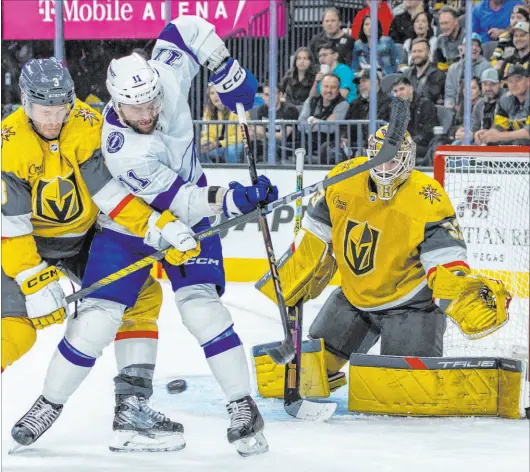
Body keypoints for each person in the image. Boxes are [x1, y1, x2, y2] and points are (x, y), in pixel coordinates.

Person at [11, 16, 278, 457]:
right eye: (135, 109)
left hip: (189, 216)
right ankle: (48, 404)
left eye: (151, 102)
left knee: (202, 310)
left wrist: (226, 70)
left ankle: (242, 406)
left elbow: (186, 27)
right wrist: (233, 200)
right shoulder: (120, 148)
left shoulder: (166, 78)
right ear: (115, 102)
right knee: (96, 318)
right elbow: (181, 203)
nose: (148, 113)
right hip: (129, 225)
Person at [1, 56, 198, 453]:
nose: (53, 118)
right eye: (43, 110)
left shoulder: (88, 124)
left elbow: (109, 193)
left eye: (61, 108)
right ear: (25, 102)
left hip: (84, 236)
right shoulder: (9, 142)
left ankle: (132, 407)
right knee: (17, 331)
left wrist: (156, 227)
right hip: (25, 245)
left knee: (142, 296)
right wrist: (32, 278)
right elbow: (12, 226)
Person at [254, 123, 510, 403]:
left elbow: (445, 257)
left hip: (411, 305)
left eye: (393, 159)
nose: (385, 166)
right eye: (380, 157)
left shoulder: (427, 196)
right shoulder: (343, 178)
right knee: (295, 376)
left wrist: (460, 293)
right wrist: (296, 275)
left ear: (408, 158)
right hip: (353, 299)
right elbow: (317, 237)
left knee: (404, 395)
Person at [475, 64, 530, 145]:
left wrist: (500, 136)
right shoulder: (505, 100)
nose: (514, 84)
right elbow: (500, 128)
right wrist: (486, 134)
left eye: (518, 80)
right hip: (520, 150)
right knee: (491, 143)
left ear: (528, 81)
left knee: (520, 142)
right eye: (510, 81)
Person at [300, 74, 349, 161]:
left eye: (333, 87)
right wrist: (320, 124)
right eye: (326, 86)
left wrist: (314, 122)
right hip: (309, 142)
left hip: (331, 144)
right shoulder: (311, 101)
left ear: (338, 89)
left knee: (326, 149)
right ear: (320, 87)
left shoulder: (343, 104)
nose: (329, 90)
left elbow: (331, 127)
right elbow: (300, 124)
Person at [391, 76, 437, 162]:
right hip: (406, 145)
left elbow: (427, 134)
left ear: (411, 89)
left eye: (401, 89)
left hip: (425, 147)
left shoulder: (426, 104)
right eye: (395, 91)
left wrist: (407, 141)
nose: (398, 93)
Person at [250, 84, 300, 162]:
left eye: (273, 94)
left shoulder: (290, 109)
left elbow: (283, 136)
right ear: (263, 96)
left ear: (280, 95)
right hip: (267, 143)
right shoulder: (262, 109)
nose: (270, 98)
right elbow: (259, 132)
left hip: (289, 145)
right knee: (250, 145)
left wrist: (263, 134)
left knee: (272, 145)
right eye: (266, 95)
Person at [200, 84, 245, 164]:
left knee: (231, 150)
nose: (215, 96)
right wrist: (206, 141)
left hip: (236, 144)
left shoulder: (239, 109)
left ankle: (234, 174)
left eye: (218, 92)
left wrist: (218, 143)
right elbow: (207, 134)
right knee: (199, 150)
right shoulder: (208, 112)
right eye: (212, 93)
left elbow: (241, 136)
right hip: (218, 146)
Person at [444, 34, 491, 110]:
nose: (474, 48)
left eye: (477, 45)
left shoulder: (486, 67)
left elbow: (486, 93)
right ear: (463, 48)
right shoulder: (453, 68)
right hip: (455, 109)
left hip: (477, 108)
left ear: (480, 49)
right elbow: (449, 93)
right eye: (471, 44)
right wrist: (450, 108)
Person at [404, 38, 446, 104]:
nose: (416, 54)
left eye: (420, 51)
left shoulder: (438, 74)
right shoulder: (406, 73)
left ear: (428, 53)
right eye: (414, 51)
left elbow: (429, 97)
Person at [472, 68, 505, 142]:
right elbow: (474, 128)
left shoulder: (508, 101)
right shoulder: (479, 104)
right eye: (485, 84)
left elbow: (501, 129)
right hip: (483, 146)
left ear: (501, 83)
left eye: (492, 84)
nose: (488, 88)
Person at [451, 76, 483, 143]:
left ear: (480, 91)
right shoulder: (460, 106)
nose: (469, 91)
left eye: (473, 88)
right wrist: (457, 131)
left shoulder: (482, 106)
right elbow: (452, 127)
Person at [434, 6, 465, 71]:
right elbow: (438, 66)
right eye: (441, 24)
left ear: (456, 21)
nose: (443, 27)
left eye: (446, 23)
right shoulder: (440, 40)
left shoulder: (468, 38)